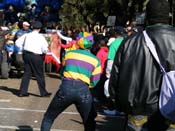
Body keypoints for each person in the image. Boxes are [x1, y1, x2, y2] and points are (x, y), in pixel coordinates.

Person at [109, 0, 175, 130]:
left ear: (147, 17)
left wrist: (118, 104)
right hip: (171, 110)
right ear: (169, 16)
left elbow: (115, 77)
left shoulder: (129, 42)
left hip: (138, 109)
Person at [40, 32, 102, 131]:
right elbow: (95, 81)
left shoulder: (69, 54)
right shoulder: (95, 60)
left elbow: (63, 70)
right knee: (89, 121)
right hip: (83, 90)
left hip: (66, 88)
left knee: (49, 117)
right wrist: (87, 86)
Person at [15, 21, 51, 97]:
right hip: (36, 56)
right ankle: (43, 92)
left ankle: (22, 92)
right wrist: (46, 51)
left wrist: (22, 49)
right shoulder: (41, 37)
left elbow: (17, 42)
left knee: (27, 73)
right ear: (39, 29)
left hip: (27, 55)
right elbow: (44, 48)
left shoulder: (26, 35)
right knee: (39, 74)